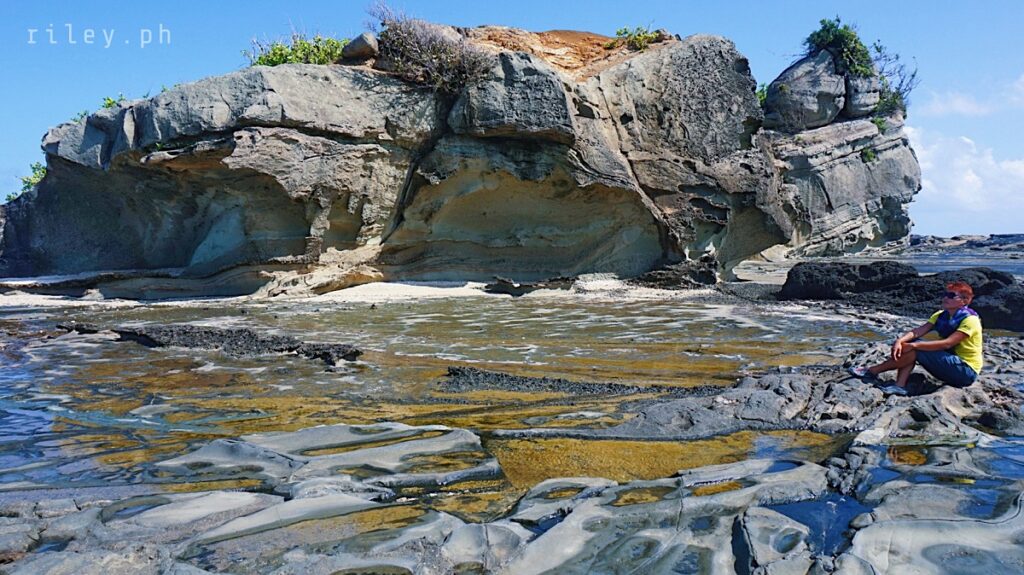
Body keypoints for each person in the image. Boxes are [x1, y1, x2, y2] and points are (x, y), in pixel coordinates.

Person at [848, 281, 983, 396]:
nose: (946, 298)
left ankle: (873, 371)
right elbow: (918, 331)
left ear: (964, 301)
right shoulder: (941, 315)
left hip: (965, 371)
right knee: (910, 343)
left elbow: (947, 344)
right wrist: (900, 341)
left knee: (916, 348)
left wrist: (913, 346)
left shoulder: (970, 320)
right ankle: (899, 386)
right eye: (945, 294)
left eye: (951, 296)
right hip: (949, 363)